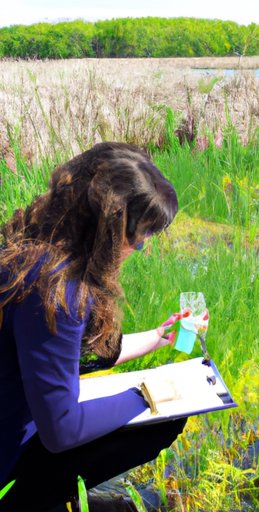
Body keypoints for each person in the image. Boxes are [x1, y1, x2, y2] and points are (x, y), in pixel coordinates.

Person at [0, 142, 188, 511]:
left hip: (15, 422)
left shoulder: (34, 252)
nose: (141, 249)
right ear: (109, 230)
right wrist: (145, 396)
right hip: (10, 447)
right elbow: (62, 429)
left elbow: (64, 357)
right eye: (139, 239)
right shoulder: (59, 292)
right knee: (165, 423)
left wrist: (158, 337)